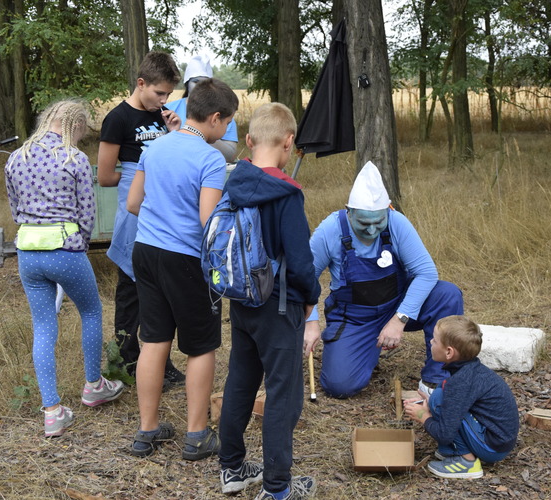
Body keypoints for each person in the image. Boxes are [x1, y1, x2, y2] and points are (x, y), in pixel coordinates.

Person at [126, 78, 239, 459]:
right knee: (201, 345)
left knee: (154, 339)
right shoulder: (210, 159)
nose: (227, 130)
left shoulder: (155, 147)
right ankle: (196, 434)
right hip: (187, 259)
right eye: (228, 123)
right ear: (215, 118)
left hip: (146, 251)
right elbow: (209, 220)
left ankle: (147, 430)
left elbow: (132, 203)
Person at [217, 103, 321, 499]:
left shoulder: (234, 181)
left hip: (241, 298)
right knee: (283, 395)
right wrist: (310, 299)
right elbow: (300, 259)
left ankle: (232, 468)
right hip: (278, 305)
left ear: (248, 139)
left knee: (240, 382)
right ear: (289, 141)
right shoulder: (286, 193)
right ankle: (277, 489)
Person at [5, 99, 125, 437]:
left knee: (43, 327)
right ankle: (93, 386)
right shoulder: (74, 158)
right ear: (76, 126)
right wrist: (79, 243)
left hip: (28, 250)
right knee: (91, 311)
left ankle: (53, 412)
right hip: (65, 248)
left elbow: (14, 208)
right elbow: (87, 212)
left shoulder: (17, 157)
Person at [303, 161, 464, 399]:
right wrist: (311, 321)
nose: (371, 230)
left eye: (378, 222)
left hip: (396, 305)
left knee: (447, 294)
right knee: (339, 386)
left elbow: (427, 273)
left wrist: (399, 319)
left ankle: (437, 378)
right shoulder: (330, 230)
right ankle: (365, 347)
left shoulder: (397, 222)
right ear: (349, 211)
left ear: (388, 210)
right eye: (363, 223)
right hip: (355, 318)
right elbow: (305, 277)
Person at [97, 51, 185, 386]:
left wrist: (175, 133)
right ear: (141, 83)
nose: (164, 100)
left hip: (165, 214)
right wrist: (140, 179)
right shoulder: (118, 119)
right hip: (136, 214)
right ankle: (125, 358)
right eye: (159, 93)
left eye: (169, 95)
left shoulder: (163, 118)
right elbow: (105, 176)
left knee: (163, 291)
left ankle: (160, 361)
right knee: (131, 289)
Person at [404, 315, 519, 479]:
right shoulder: (469, 370)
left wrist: (423, 416)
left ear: (449, 352)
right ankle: (453, 450)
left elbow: (445, 433)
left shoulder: (461, 382)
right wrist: (428, 402)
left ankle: (467, 462)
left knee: (439, 402)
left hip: (492, 446)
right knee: (437, 398)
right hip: (496, 438)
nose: (431, 342)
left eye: (435, 340)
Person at [165, 54, 239, 162]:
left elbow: (230, 155)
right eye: (196, 81)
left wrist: (204, 132)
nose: (200, 87)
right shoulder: (168, 109)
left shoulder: (224, 113)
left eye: (205, 83)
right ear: (187, 83)